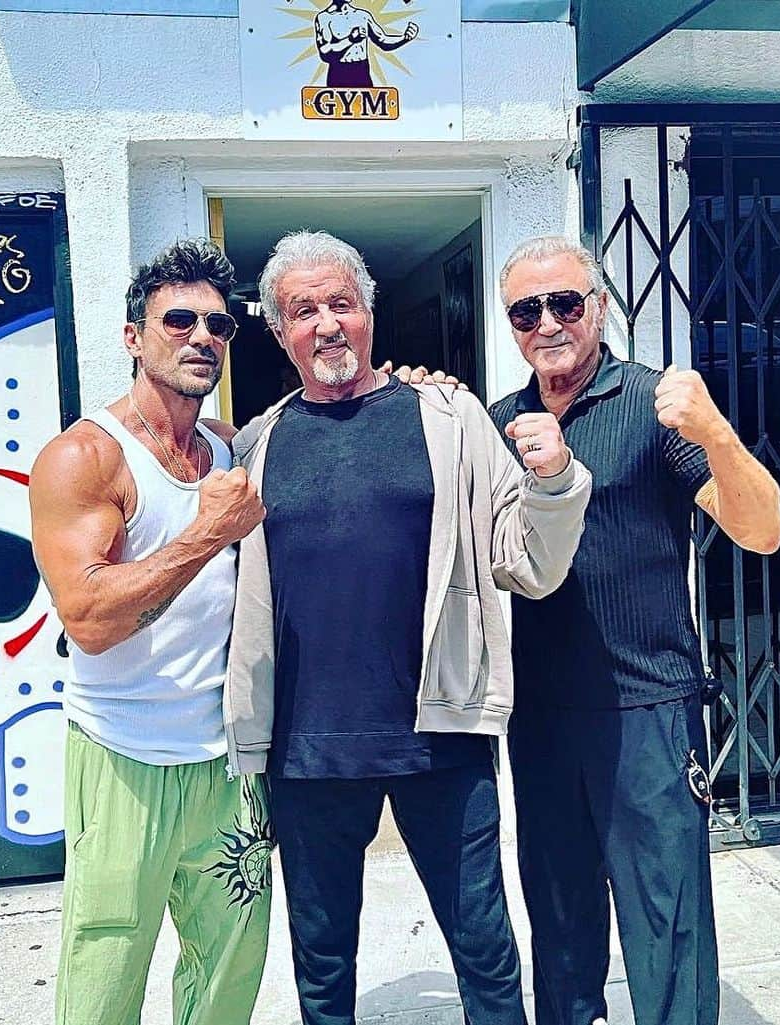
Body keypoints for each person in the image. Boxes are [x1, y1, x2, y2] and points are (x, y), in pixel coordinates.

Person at [224, 230, 592, 1025]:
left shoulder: (450, 418)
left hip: (441, 736)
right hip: (306, 752)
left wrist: (557, 482)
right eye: (303, 309)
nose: (325, 324)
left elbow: (528, 561)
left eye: (340, 304)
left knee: (486, 951)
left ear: (368, 312)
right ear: (279, 332)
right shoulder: (257, 445)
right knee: (322, 966)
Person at [488, 236, 780, 1025]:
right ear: (510, 324)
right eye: (526, 309)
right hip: (541, 717)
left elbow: (763, 531)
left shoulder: (656, 405)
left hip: (648, 710)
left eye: (565, 302)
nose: (547, 322)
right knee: (558, 925)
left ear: (601, 307)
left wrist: (716, 431)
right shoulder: (498, 422)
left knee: (669, 927)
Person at [30, 239, 272, 1025]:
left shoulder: (230, 447)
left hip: (226, 759)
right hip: (121, 756)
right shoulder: (85, 455)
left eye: (219, 325)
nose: (203, 336)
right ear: (135, 335)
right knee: (104, 980)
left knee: (232, 970)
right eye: (179, 320)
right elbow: (89, 621)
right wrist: (207, 534)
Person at [314, 0, 418, 88]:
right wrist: (350, 40)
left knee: (368, 110)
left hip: (361, 71)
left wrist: (405, 38)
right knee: (338, 111)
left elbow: (382, 41)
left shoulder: (363, 15)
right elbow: (325, 52)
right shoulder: (324, 17)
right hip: (338, 72)